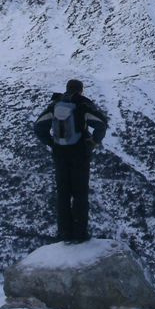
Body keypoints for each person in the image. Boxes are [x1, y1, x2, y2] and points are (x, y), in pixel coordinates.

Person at [33, 79, 108, 243]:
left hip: (60, 155)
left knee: (63, 194)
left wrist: (51, 142)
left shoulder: (55, 105)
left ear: (66, 89)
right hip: (80, 154)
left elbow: (38, 127)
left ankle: (64, 234)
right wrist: (94, 141)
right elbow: (102, 124)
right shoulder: (83, 105)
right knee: (80, 194)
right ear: (81, 90)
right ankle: (80, 233)